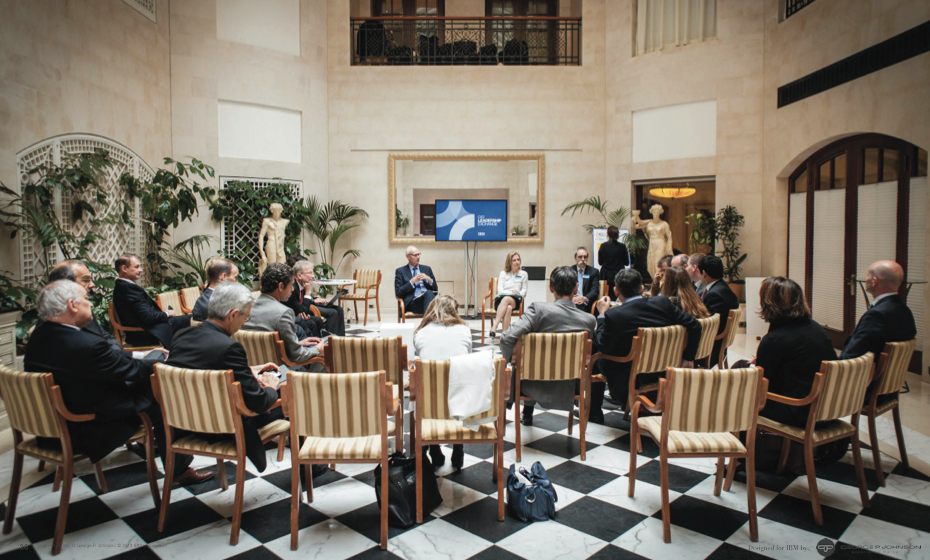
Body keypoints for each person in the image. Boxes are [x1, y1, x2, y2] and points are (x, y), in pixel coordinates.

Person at [25, 281, 212, 486]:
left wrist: (146, 356)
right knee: (161, 392)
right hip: (88, 427)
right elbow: (132, 372)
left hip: (54, 424)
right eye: (86, 299)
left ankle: (170, 449)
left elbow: (107, 364)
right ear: (72, 305)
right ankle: (181, 467)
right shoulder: (86, 345)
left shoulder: (40, 335)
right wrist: (163, 363)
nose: (91, 304)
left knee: (153, 377)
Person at [167, 282, 291, 473]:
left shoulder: (181, 336)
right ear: (233, 315)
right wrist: (270, 386)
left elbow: (202, 370)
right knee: (295, 395)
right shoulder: (229, 347)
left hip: (185, 424)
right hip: (225, 427)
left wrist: (246, 370)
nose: (243, 323)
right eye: (245, 317)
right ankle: (311, 469)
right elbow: (258, 402)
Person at [593, 269, 702, 420]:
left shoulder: (615, 315)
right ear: (642, 288)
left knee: (594, 358)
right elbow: (695, 326)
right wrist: (688, 357)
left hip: (629, 377)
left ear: (616, 290)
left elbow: (603, 346)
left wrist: (601, 316)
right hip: (663, 370)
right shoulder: (663, 303)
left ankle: (594, 413)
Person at [500, 266, 597, 426]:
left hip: (530, 383)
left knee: (524, 363)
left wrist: (512, 360)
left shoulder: (538, 310)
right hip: (568, 385)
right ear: (576, 287)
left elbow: (507, 338)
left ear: (551, 287)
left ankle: (527, 411)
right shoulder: (589, 320)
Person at [753, 277, 836, 428]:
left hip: (798, 410)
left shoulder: (775, 339)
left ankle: (740, 438)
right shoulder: (815, 327)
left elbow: (763, 385)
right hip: (826, 407)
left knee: (738, 386)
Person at [413, 295, 472, 469]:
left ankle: (434, 448)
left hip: (429, 401)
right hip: (458, 398)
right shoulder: (464, 330)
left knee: (426, 386)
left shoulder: (420, 333)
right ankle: (458, 446)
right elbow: (467, 358)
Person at [243, 263, 322, 365]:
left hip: (253, 367)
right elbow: (297, 355)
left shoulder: (246, 308)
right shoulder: (284, 312)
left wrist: (297, 344)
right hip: (281, 369)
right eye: (291, 285)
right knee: (323, 359)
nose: (292, 289)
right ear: (281, 286)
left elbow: (263, 346)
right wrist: (317, 349)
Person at [840, 260, 917, 360]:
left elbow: (853, 355)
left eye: (867, 274)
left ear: (874, 281)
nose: (866, 279)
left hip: (867, 369)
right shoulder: (906, 311)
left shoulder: (876, 315)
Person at [112, 253, 191, 347]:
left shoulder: (123, 287)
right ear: (124, 268)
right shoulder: (128, 289)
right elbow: (148, 317)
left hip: (149, 329)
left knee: (192, 319)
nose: (140, 270)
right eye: (136, 267)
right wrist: (167, 313)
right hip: (147, 334)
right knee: (194, 318)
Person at [698, 254, 739, 367]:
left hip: (710, 351)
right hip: (719, 346)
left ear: (704, 273)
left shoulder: (715, 295)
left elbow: (710, 326)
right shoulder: (723, 288)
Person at [288, 257, 346, 337]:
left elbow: (305, 303)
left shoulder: (304, 284)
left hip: (306, 307)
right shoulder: (292, 288)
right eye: (309, 273)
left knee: (339, 309)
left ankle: (340, 339)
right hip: (299, 312)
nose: (313, 276)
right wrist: (308, 293)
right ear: (299, 275)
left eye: (313, 273)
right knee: (332, 313)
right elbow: (302, 309)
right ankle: (329, 340)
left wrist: (313, 298)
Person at [489, 251, 528, 337]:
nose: (517, 262)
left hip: (515, 300)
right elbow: (500, 290)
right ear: (509, 262)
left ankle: (494, 327)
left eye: (518, 259)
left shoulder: (524, 274)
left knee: (507, 299)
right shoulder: (503, 273)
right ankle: (504, 336)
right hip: (500, 300)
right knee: (508, 308)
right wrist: (511, 292)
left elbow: (524, 290)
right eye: (514, 260)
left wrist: (518, 294)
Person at [395, 246, 437, 315]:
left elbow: (436, 289)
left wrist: (429, 279)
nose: (418, 257)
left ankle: (429, 318)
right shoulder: (400, 271)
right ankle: (430, 319)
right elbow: (398, 293)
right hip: (412, 303)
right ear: (408, 256)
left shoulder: (427, 269)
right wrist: (412, 282)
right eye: (415, 255)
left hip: (427, 300)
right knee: (430, 296)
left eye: (419, 254)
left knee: (443, 299)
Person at [597, 226, 630, 301]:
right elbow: (626, 262)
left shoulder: (603, 246)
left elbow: (600, 262)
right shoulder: (622, 247)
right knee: (618, 297)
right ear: (617, 234)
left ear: (607, 234)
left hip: (605, 275)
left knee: (605, 296)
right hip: (619, 275)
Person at [571, 247, 600, 313]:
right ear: (575, 258)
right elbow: (566, 288)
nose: (583, 259)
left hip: (586, 303)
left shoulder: (594, 272)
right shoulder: (570, 271)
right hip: (573, 302)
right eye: (580, 257)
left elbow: (594, 290)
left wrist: (584, 298)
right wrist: (572, 298)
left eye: (585, 257)